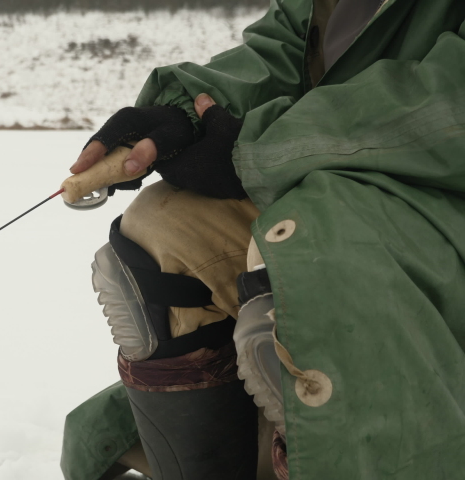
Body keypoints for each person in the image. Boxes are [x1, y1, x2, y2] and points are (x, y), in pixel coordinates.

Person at [60, 1, 465, 479]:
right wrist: (182, 114)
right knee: (162, 230)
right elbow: (281, 52)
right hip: (345, 177)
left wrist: (261, 145)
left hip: (439, 193)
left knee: (299, 257)